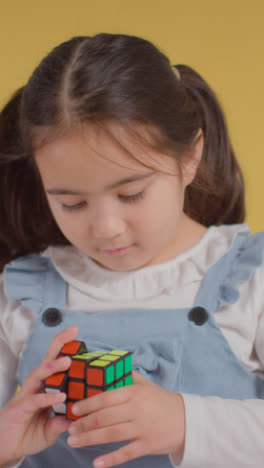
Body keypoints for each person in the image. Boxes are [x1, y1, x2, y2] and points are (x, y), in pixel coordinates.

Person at [0, 33, 264, 468]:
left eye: (132, 194)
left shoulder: (248, 279)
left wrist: (184, 423)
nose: (105, 228)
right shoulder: (22, 292)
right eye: (72, 203)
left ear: (189, 158)